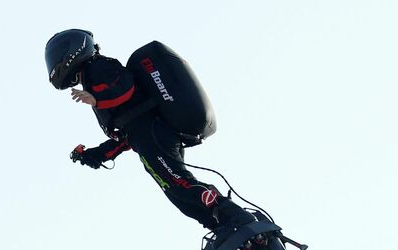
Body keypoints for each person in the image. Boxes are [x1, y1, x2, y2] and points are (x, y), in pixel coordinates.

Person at [45, 29, 254, 232]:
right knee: (178, 196)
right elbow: (126, 129)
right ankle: (224, 231)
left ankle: (236, 217)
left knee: (180, 183)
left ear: (73, 50)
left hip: (151, 132)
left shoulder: (99, 65)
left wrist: (97, 99)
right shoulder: (91, 79)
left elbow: (125, 88)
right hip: (144, 137)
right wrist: (97, 154)